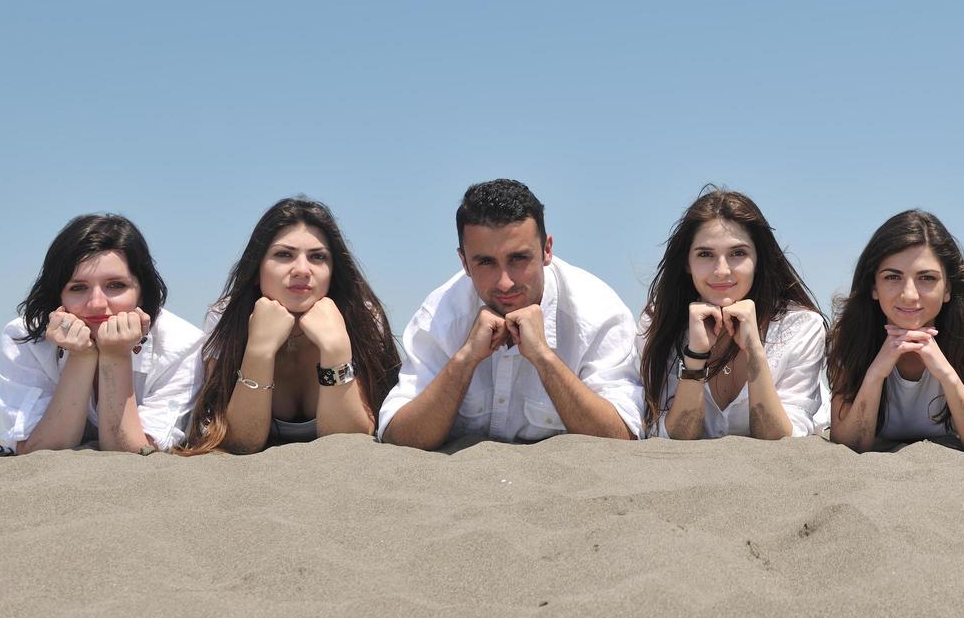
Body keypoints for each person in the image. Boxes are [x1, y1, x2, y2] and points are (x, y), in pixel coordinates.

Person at [379, 179, 642, 448]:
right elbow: (397, 435)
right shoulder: (439, 316)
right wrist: (465, 360)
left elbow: (622, 435)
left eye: (518, 259)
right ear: (464, 263)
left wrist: (544, 359)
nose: (505, 282)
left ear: (547, 250)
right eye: (485, 262)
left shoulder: (598, 313)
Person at [183, 198, 401, 454]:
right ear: (257, 269)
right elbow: (240, 442)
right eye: (284, 255)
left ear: (333, 271)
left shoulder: (361, 318)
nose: (302, 270)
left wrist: (336, 349)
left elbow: (349, 443)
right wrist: (259, 350)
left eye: (317, 257)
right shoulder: (225, 318)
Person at [0, 214, 204, 454]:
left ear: (142, 292)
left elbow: (136, 452)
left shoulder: (181, 344)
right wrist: (81, 356)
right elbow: (37, 450)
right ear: (58, 296)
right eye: (78, 288)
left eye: (115, 285)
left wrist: (116, 356)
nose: (96, 304)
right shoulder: (24, 337)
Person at [639, 188, 825, 439]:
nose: (722, 270)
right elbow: (678, 437)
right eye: (705, 254)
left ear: (758, 259)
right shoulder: (657, 322)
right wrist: (695, 356)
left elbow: (781, 439)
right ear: (686, 262)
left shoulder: (801, 325)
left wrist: (755, 352)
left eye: (738, 253)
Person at [827, 210, 964, 451]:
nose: (909, 295)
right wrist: (876, 373)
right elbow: (847, 443)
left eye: (927, 278)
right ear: (874, 287)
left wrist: (946, 373)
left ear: (948, 289)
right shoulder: (849, 334)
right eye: (892, 277)